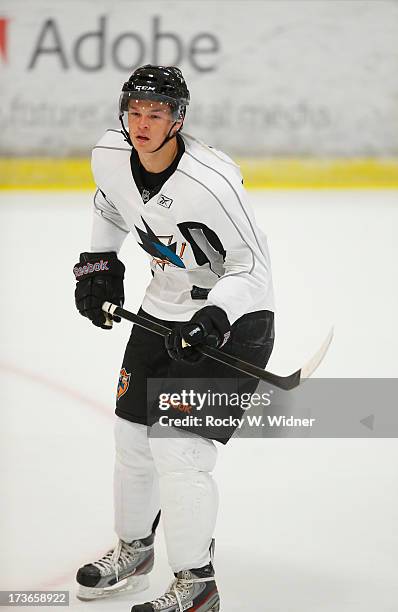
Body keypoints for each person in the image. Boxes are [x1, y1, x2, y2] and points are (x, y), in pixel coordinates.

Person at [73, 65, 275, 612]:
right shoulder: (111, 154)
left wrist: (213, 317)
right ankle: (135, 552)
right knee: (132, 441)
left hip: (236, 324)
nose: (142, 124)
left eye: (156, 113)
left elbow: (252, 269)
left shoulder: (211, 181)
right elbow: (110, 201)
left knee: (179, 451)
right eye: (134, 112)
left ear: (177, 119)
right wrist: (99, 258)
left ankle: (197, 585)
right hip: (161, 310)